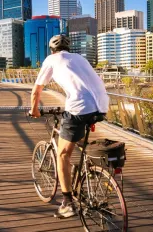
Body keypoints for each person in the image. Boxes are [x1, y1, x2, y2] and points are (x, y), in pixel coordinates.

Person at [29, 34, 109, 219]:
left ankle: (67, 204)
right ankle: (90, 169)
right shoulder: (80, 58)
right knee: (77, 135)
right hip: (101, 105)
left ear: (52, 49)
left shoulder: (51, 60)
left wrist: (34, 110)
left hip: (80, 108)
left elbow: (37, 90)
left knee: (62, 155)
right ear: (68, 48)